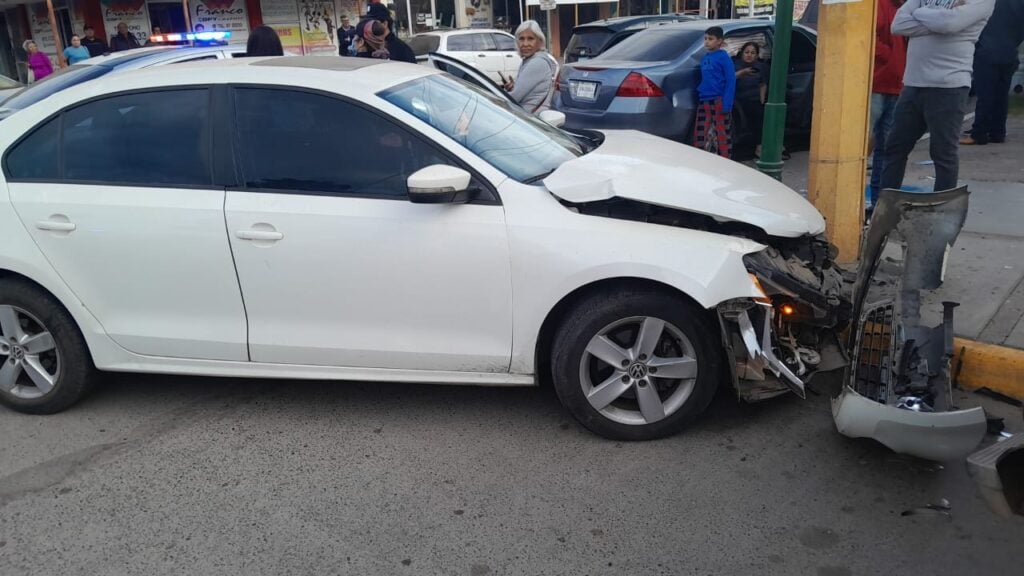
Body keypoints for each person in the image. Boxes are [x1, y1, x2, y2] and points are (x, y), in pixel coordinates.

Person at [880, 0, 996, 192]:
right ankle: (884, 205)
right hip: (912, 84)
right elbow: (898, 25)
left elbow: (949, 24)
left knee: (943, 154)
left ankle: (941, 210)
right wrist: (938, 19)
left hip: (949, 86)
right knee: (894, 148)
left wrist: (920, 13)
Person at [961, 0, 1024, 145]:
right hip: (1009, 52)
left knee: (985, 94)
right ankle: (997, 132)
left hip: (987, 51)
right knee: (1001, 95)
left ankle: (979, 133)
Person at [868, 0, 907, 207]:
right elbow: (868, 37)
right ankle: (871, 202)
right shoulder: (879, 6)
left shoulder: (904, 7)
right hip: (877, 84)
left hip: (896, 84)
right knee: (866, 147)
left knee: (886, 149)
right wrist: (890, 57)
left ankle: (878, 204)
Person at [694, 26, 736, 159]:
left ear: (719, 41)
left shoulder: (724, 58)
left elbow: (731, 80)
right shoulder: (705, 58)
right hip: (704, 99)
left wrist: (727, 103)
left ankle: (725, 159)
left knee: (722, 132)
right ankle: (702, 158)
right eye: (705, 39)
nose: (707, 42)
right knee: (702, 132)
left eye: (710, 39)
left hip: (718, 100)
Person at [502, 20, 558, 114]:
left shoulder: (537, 62)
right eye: (521, 39)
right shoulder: (529, 59)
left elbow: (513, 98)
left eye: (530, 39)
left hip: (530, 120)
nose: (525, 44)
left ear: (540, 42)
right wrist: (514, 87)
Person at [732, 41, 769, 157]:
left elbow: (763, 84)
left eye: (753, 53)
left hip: (754, 99)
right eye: (747, 52)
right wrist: (742, 73)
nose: (749, 55)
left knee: (760, 115)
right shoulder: (735, 65)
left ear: (757, 55)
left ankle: (760, 146)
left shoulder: (760, 67)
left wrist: (762, 99)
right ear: (742, 53)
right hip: (738, 99)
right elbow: (728, 79)